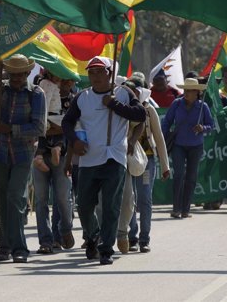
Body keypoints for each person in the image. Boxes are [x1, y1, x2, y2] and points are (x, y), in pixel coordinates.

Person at [62, 56, 146, 265]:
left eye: (101, 72)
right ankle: (93, 235)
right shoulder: (83, 97)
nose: (96, 76)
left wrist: (115, 105)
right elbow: (67, 123)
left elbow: (141, 114)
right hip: (89, 159)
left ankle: (106, 249)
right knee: (84, 205)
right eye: (92, 72)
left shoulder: (123, 93)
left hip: (114, 157)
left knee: (111, 205)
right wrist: (74, 142)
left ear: (110, 73)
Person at [0, 54, 46, 264]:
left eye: (20, 75)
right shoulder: (1, 91)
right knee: (0, 200)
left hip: (23, 154)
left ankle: (20, 247)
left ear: (28, 73)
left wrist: (11, 129)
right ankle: (4, 246)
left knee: (15, 197)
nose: (16, 78)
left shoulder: (36, 95)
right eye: (13, 74)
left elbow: (38, 128)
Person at [124, 80, 170, 253]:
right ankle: (132, 237)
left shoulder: (149, 110)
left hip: (148, 161)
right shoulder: (122, 109)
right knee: (129, 199)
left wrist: (165, 166)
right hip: (127, 159)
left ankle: (144, 239)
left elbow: (159, 137)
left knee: (144, 199)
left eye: (133, 90)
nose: (131, 94)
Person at [32, 76, 75, 255]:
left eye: (68, 79)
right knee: (41, 200)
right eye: (61, 78)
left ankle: (65, 229)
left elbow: (73, 126)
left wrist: (55, 128)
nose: (65, 82)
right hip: (38, 150)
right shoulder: (38, 93)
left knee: (63, 198)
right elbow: (34, 121)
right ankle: (46, 241)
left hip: (63, 155)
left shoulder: (74, 101)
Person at [161, 78, 215, 219]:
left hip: (196, 146)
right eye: (185, 90)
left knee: (191, 177)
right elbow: (167, 121)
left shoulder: (203, 107)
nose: (187, 93)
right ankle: (176, 208)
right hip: (178, 144)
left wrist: (203, 128)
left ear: (197, 92)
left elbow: (211, 125)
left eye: (190, 90)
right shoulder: (177, 104)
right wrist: (161, 137)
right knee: (178, 175)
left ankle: (186, 209)